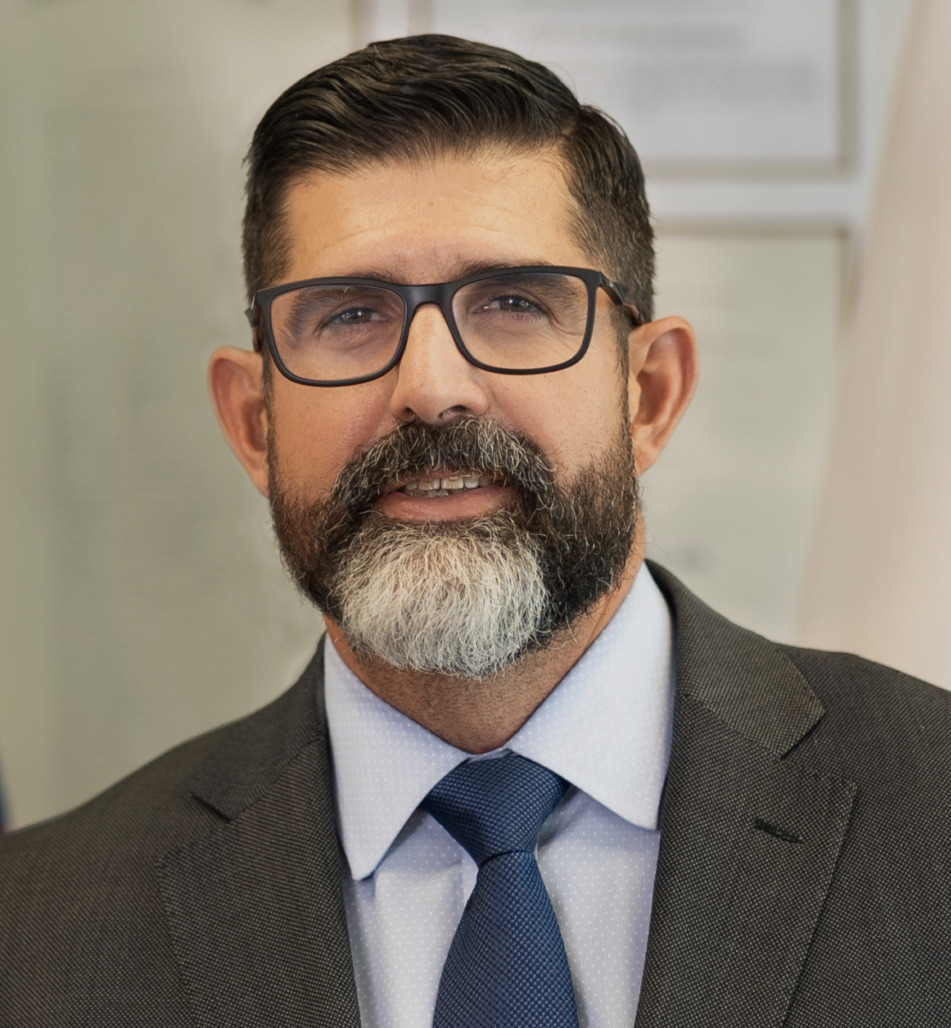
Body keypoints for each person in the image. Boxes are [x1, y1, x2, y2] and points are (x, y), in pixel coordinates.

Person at [1, 34, 949, 1028]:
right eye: (350, 313)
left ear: (650, 394)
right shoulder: (35, 930)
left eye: (512, 302)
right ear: (254, 423)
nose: (432, 388)